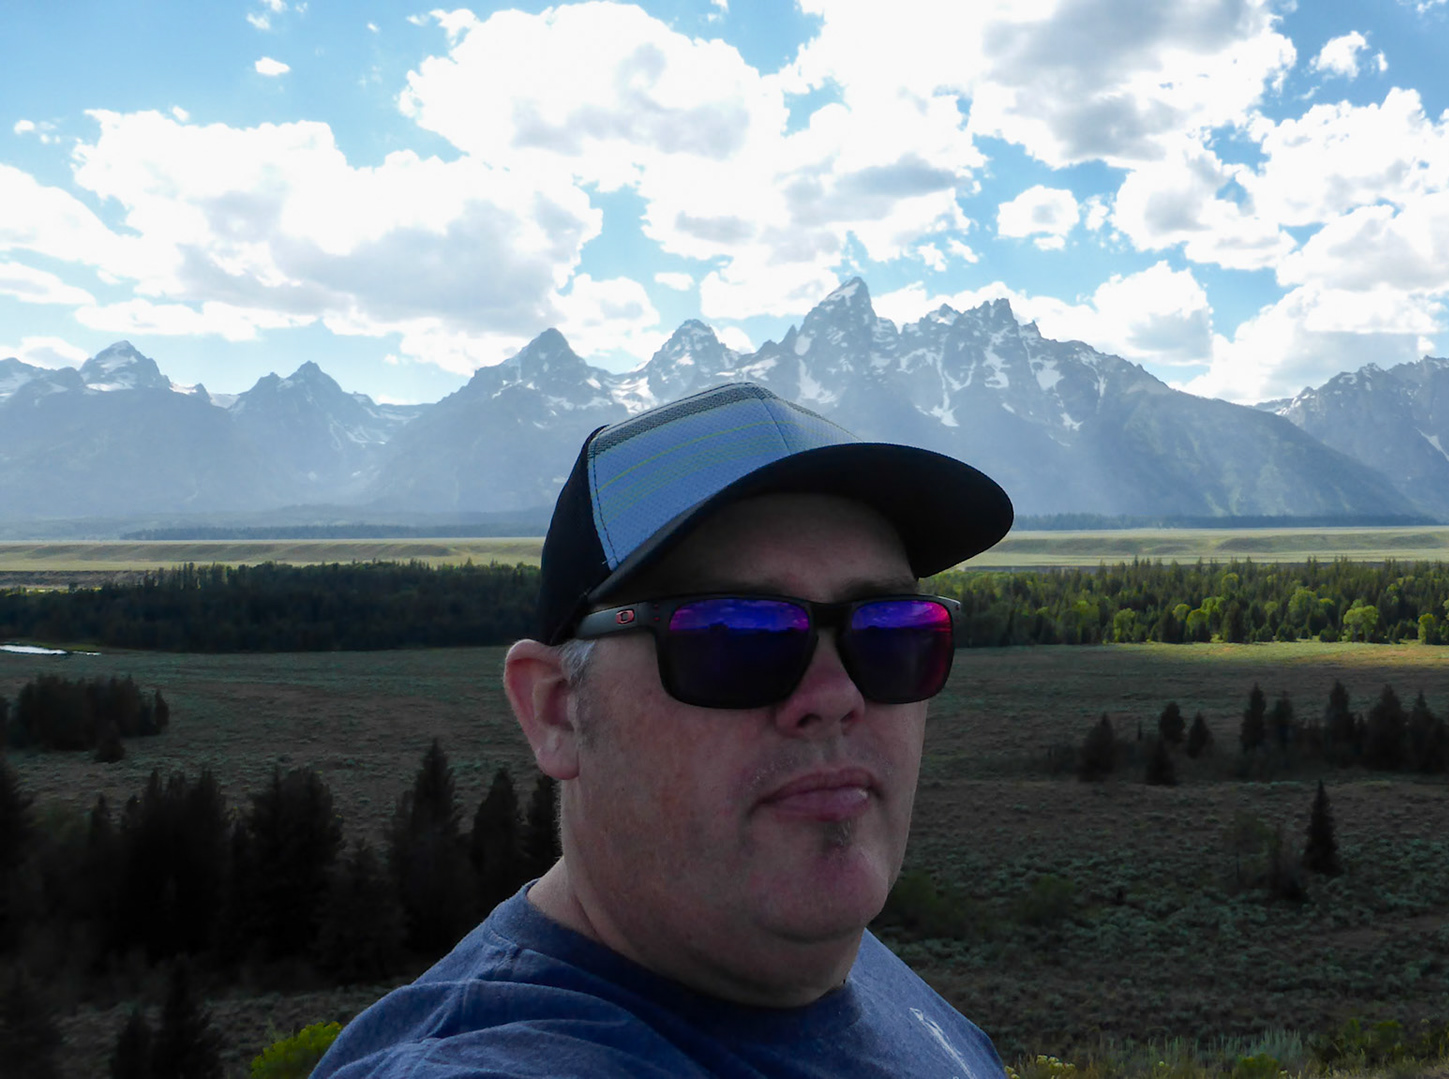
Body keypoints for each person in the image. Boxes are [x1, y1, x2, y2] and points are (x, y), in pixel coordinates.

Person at [315, 383, 1014, 1078]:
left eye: (893, 632)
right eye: (733, 638)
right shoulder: (486, 1061)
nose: (836, 696)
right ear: (557, 710)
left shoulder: (838, 963)